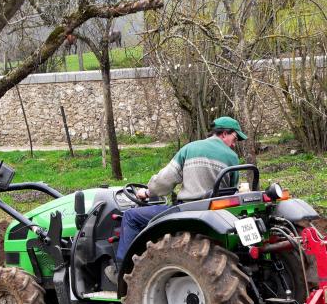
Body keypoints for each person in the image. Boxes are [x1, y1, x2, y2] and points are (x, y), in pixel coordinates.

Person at [105, 116, 247, 284]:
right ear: (224, 133)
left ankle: (122, 270)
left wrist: (148, 192)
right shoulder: (232, 157)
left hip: (187, 209)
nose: (234, 143)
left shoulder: (190, 149)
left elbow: (165, 181)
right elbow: (232, 188)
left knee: (130, 216)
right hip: (214, 212)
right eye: (234, 138)